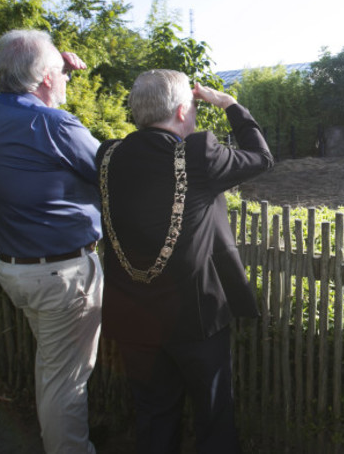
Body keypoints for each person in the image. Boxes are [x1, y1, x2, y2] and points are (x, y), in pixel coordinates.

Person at [96, 69, 273, 453]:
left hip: (132, 315)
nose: (194, 116)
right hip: (196, 317)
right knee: (213, 416)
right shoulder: (197, 153)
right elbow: (261, 157)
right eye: (193, 108)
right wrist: (230, 105)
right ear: (181, 111)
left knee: (154, 415)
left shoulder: (107, 155)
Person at [0, 29, 103, 454]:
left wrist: (51, 66)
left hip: (15, 267)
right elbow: (106, 169)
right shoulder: (52, 122)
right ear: (43, 79)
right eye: (60, 74)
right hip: (62, 276)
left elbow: (37, 132)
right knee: (65, 383)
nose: (65, 80)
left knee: (52, 368)